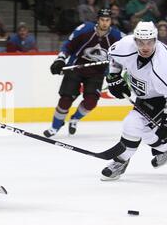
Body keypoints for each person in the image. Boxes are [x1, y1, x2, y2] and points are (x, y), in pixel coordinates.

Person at [101, 21, 167, 180]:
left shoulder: (164, 64)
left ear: (156, 39)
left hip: (166, 95)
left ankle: (120, 161)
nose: (145, 47)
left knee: (132, 124)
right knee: (146, 130)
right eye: (140, 42)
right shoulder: (126, 45)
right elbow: (114, 58)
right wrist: (114, 77)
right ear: (135, 40)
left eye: (150, 42)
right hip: (146, 93)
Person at [44, 8, 122, 137]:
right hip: (76, 68)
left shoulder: (117, 36)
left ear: (111, 21)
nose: (104, 23)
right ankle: (55, 126)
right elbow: (68, 45)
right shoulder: (85, 29)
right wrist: (60, 59)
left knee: (91, 102)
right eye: (102, 20)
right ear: (98, 20)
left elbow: (129, 49)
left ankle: (74, 119)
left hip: (97, 73)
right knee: (65, 99)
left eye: (107, 20)